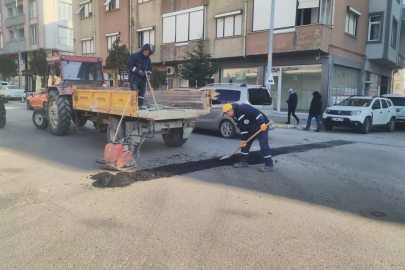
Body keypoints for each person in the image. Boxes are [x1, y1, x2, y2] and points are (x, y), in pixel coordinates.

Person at [223, 103, 274, 172]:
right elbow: (243, 129)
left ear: (230, 110)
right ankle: (243, 162)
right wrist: (243, 140)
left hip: (262, 125)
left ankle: (269, 165)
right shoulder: (235, 118)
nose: (227, 115)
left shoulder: (242, 108)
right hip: (251, 128)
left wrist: (262, 123)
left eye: (227, 113)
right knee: (245, 144)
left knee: (263, 144)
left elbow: (256, 113)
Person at [127, 44, 153, 109]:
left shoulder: (148, 60)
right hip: (134, 79)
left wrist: (149, 74)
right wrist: (138, 71)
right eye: (146, 52)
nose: (147, 54)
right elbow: (130, 65)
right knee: (134, 92)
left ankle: (140, 105)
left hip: (143, 80)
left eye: (148, 53)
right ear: (142, 51)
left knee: (142, 93)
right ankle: (134, 105)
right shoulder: (134, 56)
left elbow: (149, 68)